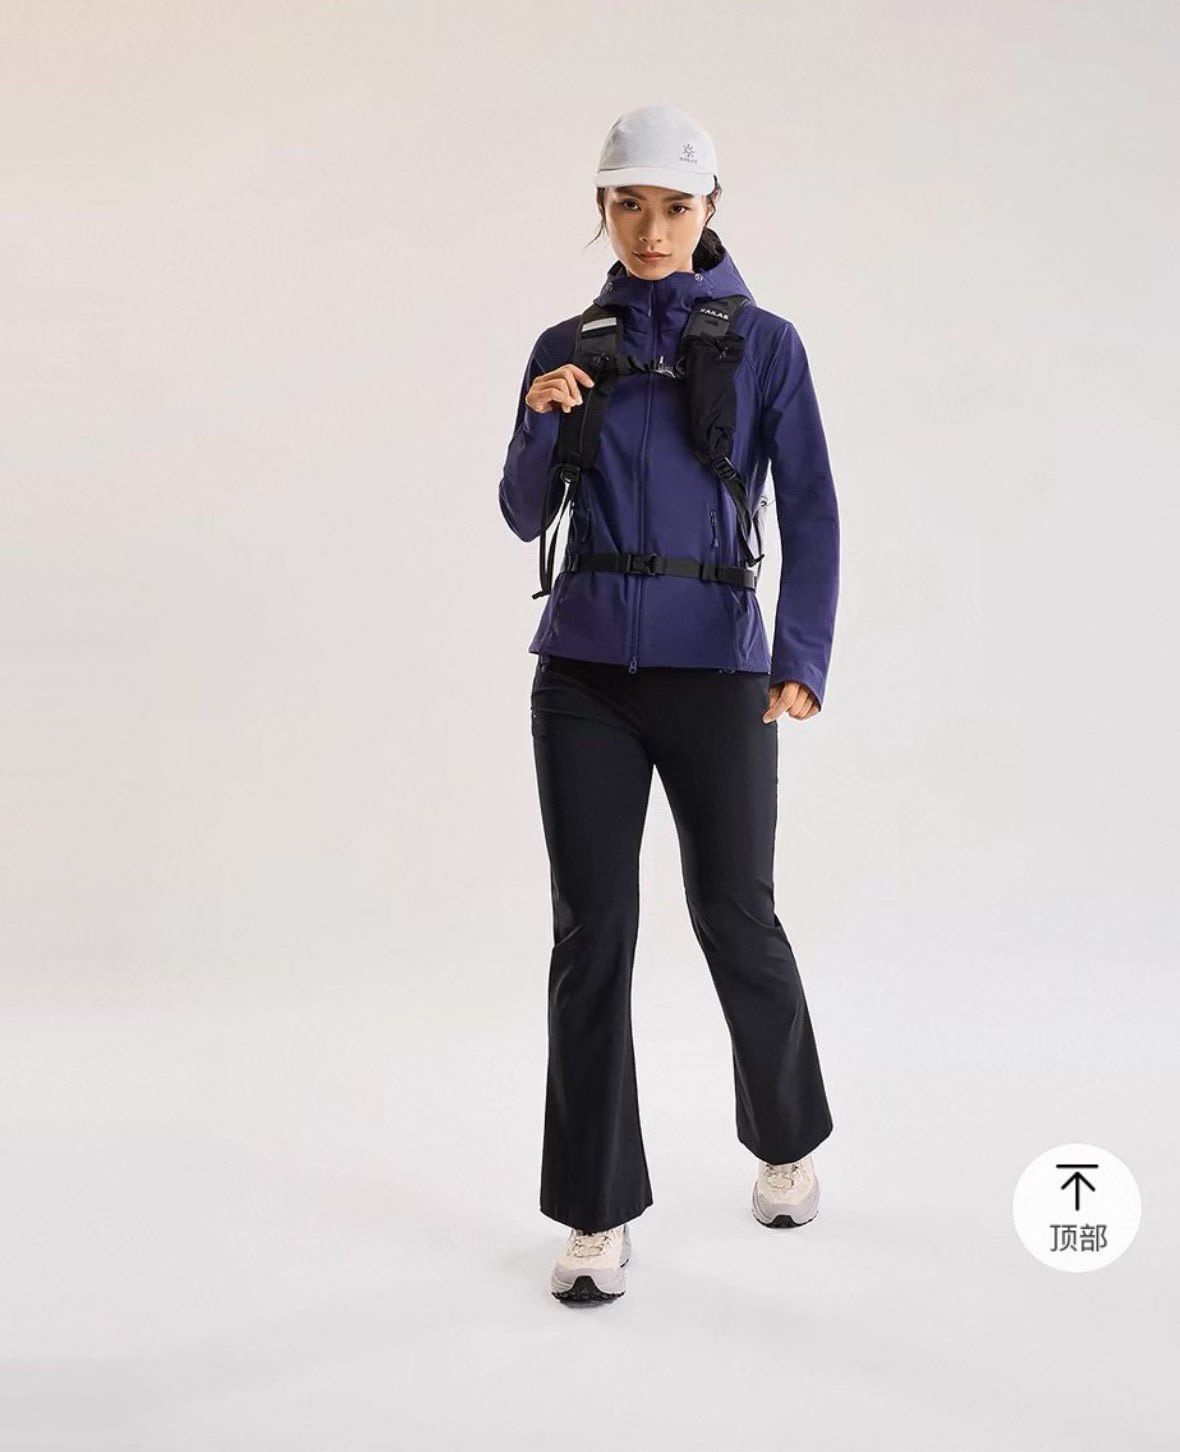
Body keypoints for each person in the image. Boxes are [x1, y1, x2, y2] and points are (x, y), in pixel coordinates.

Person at [498, 104, 840, 1304]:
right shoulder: (564, 343)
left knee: (735, 915)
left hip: (719, 669)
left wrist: (801, 653)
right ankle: (593, 1213)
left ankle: (785, 1140)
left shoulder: (768, 346)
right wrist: (539, 420)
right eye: (628, 205)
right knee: (589, 936)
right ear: (601, 208)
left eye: (674, 207)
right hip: (583, 674)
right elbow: (521, 514)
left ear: (709, 209)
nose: (651, 229)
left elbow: (812, 506)